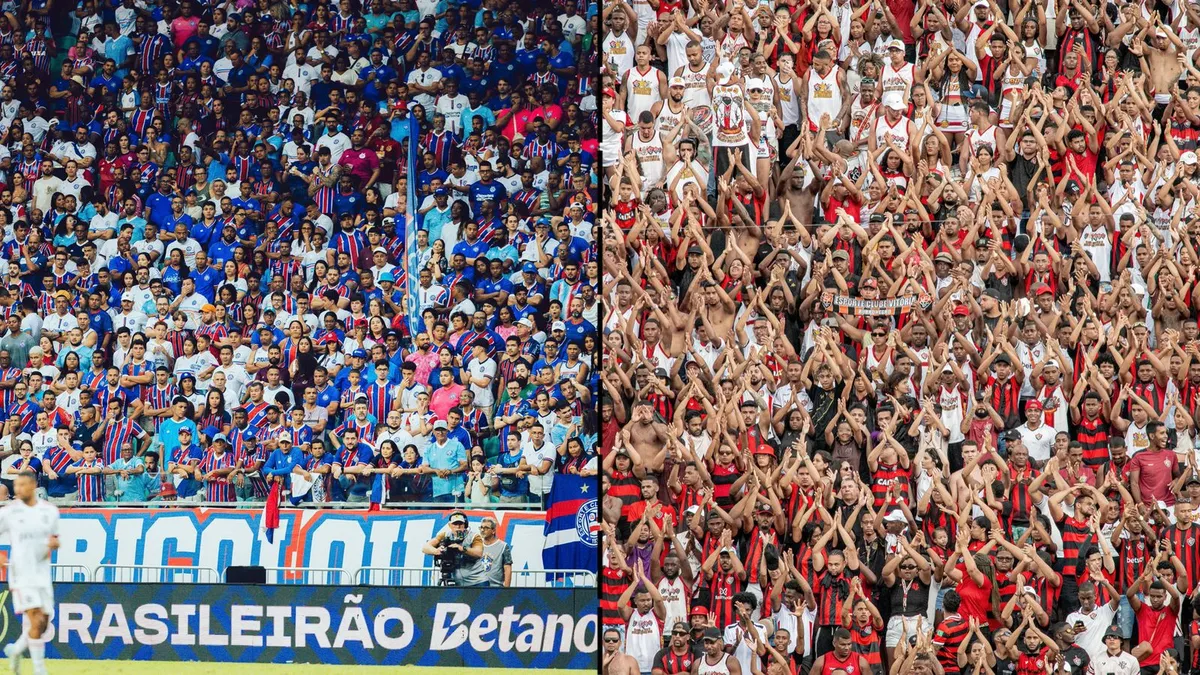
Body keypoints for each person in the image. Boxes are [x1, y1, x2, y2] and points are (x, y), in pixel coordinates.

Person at [0, 470, 60, 675]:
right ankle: (39, 670)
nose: (18, 489)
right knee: (34, 617)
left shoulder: (50, 511)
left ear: (33, 485)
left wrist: (54, 543)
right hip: (21, 573)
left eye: (22, 485)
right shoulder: (9, 512)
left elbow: (54, 538)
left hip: (42, 573)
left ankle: (16, 650)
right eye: (16, 485)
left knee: (43, 622)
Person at [421, 510, 487, 587]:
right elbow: (425, 547)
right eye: (455, 524)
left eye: (460, 523)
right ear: (450, 525)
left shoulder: (474, 536)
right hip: (458, 583)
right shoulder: (445, 535)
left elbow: (478, 553)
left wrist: (462, 549)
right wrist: (437, 551)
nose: (458, 526)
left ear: (465, 524)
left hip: (477, 582)